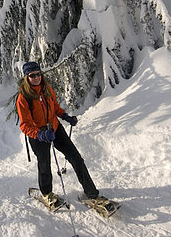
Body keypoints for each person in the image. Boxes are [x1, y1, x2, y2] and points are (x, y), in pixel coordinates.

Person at [16, 61, 105, 210]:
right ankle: (47, 194)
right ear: (27, 77)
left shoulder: (47, 88)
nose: (37, 77)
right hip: (38, 135)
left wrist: (65, 116)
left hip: (55, 128)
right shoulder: (23, 98)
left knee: (76, 158)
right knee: (44, 165)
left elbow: (55, 107)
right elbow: (25, 125)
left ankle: (92, 194)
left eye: (38, 74)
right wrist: (41, 134)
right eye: (32, 75)